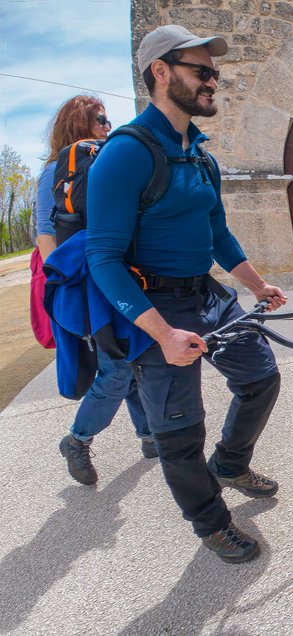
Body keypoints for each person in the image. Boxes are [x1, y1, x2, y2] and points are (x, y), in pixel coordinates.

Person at [86, 24, 288, 564]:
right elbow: (102, 258)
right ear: (161, 72)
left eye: (214, 73)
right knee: (178, 431)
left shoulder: (200, 155)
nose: (212, 82)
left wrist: (257, 285)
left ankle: (230, 463)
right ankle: (211, 523)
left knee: (260, 376)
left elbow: (218, 233)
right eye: (202, 71)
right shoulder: (126, 153)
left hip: (207, 293)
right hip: (155, 304)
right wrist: (162, 333)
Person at [37, 96, 157, 485]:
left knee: (130, 353)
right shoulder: (57, 169)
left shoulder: (106, 161)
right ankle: (77, 440)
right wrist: (64, 283)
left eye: (107, 119)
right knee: (117, 363)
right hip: (87, 282)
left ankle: (149, 435)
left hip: (118, 273)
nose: (107, 125)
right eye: (100, 119)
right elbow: (45, 233)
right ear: (79, 123)